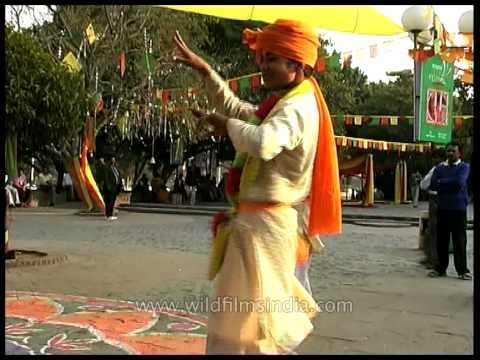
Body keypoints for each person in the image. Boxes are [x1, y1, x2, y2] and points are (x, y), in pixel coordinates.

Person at [173, 19, 342, 354]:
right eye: (262, 58)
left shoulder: (297, 107)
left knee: (254, 324)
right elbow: (242, 113)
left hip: (267, 231)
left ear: (295, 65)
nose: (262, 66)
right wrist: (206, 72)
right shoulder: (285, 102)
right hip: (258, 228)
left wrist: (227, 126)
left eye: (271, 59)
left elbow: (263, 142)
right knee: (244, 321)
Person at [428, 142, 471, 280]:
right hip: (443, 208)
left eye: (453, 151)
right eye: (448, 151)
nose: (450, 153)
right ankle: (440, 268)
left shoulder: (465, 167)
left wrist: (442, 182)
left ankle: (462, 270)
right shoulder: (439, 168)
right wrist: (448, 183)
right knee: (442, 241)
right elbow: (433, 184)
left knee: (460, 241)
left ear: (459, 153)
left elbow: (459, 183)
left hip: (458, 209)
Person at [100, 156, 122, 221]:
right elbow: (106, 178)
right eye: (112, 159)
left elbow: (118, 176)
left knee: (112, 201)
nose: (113, 161)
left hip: (116, 187)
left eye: (114, 159)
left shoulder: (115, 168)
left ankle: (110, 214)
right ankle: (109, 215)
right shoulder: (107, 168)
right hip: (110, 188)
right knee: (109, 201)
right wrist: (108, 186)